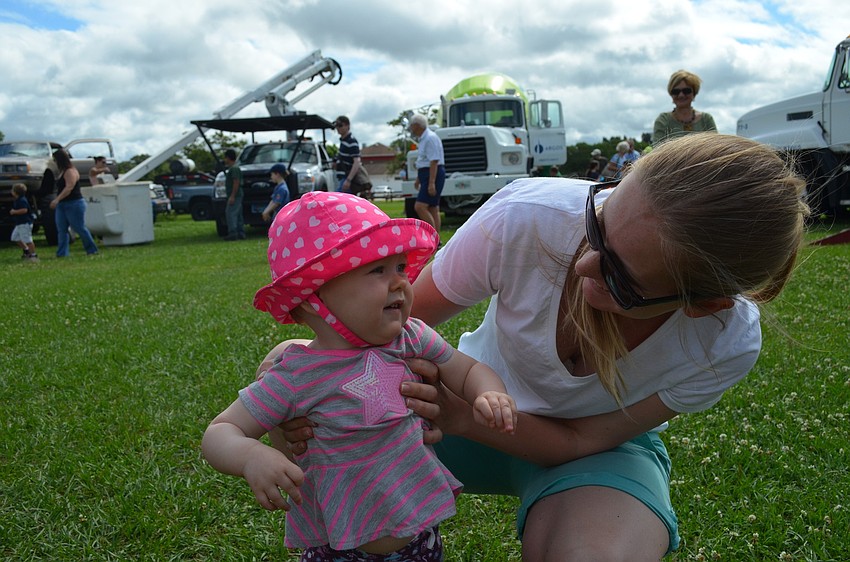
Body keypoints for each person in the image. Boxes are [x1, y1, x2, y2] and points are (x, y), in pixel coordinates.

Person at [277, 133, 809, 560]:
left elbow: (578, 440)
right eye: (596, 226)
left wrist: (463, 415)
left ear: (703, 304)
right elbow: (376, 332)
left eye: (621, 277)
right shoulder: (528, 216)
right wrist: (298, 393)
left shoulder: (723, 341)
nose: (582, 266)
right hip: (437, 416)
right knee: (286, 361)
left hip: (576, 449)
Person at [202, 191, 517, 562]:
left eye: (400, 267)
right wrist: (251, 455)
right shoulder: (295, 375)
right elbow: (220, 433)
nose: (400, 282)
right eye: (377, 270)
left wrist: (488, 392)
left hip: (419, 539)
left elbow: (467, 370)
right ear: (311, 298)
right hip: (338, 548)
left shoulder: (410, 337)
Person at [49, 149, 99, 257]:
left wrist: (56, 199)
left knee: (79, 227)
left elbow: (69, 187)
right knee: (61, 230)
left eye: (55, 160)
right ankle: (62, 253)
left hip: (74, 203)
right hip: (62, 205)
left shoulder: (70, 171)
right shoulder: (61, 172)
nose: (54, 162)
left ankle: (92, 250)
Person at [653, 69, 718, 145]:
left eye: (686, 91)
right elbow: (658, 149)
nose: (681, 95)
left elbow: (715, 147)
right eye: (676, 92)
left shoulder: (706, 119)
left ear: (694, 93)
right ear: (671, 94)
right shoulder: (663, 120)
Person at [408, 113, 445, 234]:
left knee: (420, 206)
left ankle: (432, 235)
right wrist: (419, 178)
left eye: (412, 125)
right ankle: (437, 240)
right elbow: (424, 160)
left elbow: (434, 160)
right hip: (426, 173)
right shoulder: (423, 138)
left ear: (418, 125)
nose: (411, 128)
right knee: (433, 207)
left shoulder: (430, 138)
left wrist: (431, 183)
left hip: (432, 174)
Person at [333, 115, 364, 194]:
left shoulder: (351, 141)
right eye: (336, 126)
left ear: (347, 126)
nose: (338, 128)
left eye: (340, 125)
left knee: (339, 202)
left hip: (346, 178)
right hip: (341, 178)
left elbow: (356, 162)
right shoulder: (343, 142)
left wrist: (348, 180)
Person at [9, 183, 38, 261]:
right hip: (19, 223)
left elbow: (24, 210)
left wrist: (14, 212)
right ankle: (26, 250)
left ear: (15, 192)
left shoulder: (22, 200)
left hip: (25, 223)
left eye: (12, 190)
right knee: (14, 237)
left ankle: (33, 255)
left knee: (27, 240)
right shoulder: (17, 200)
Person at [222, 148, 245, 240]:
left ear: (228, 158)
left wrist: (232, 196)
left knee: (230, 213)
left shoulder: (234, 169)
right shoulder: (235, 168)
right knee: (238, 214)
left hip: (235, 195)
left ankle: (233, 233)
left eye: (225, 158)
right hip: (238, 195)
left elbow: (236, 182)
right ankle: (240, 232)